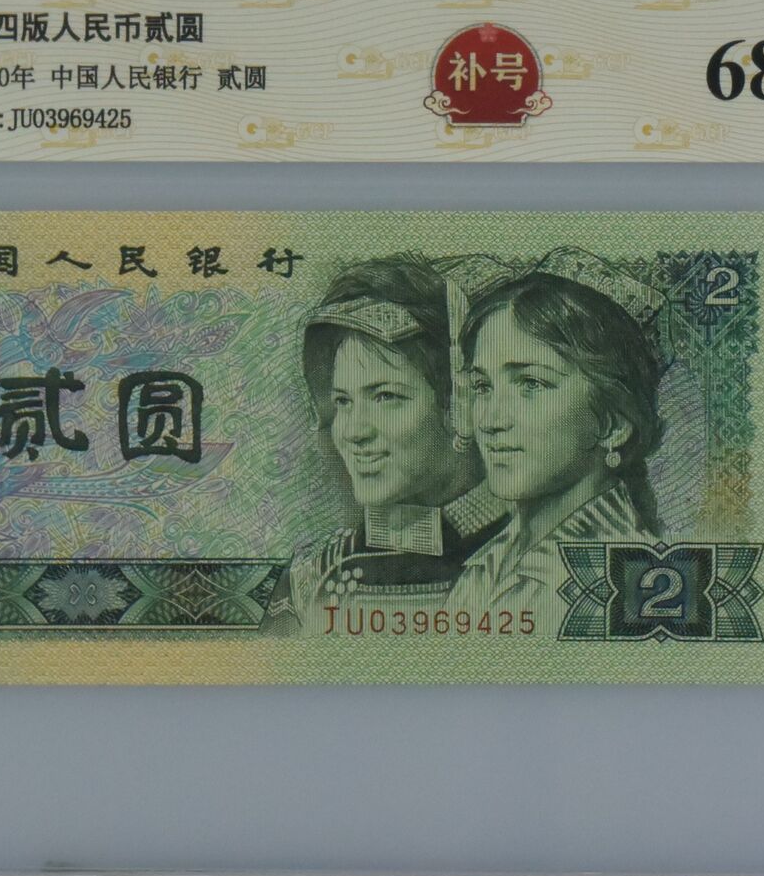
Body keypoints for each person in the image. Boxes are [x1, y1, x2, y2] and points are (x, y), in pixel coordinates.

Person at [263, 255, 508, 636]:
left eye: (385, 397)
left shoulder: (536, 561)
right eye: (343, 402)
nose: (353, 431)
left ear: (459, 404)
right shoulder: (312, 579)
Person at [443, 256, 665, 633]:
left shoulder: (626, 584)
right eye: (482, 387)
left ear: (612, 423)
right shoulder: (488, 564)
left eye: (531, 384)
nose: (491, 420)